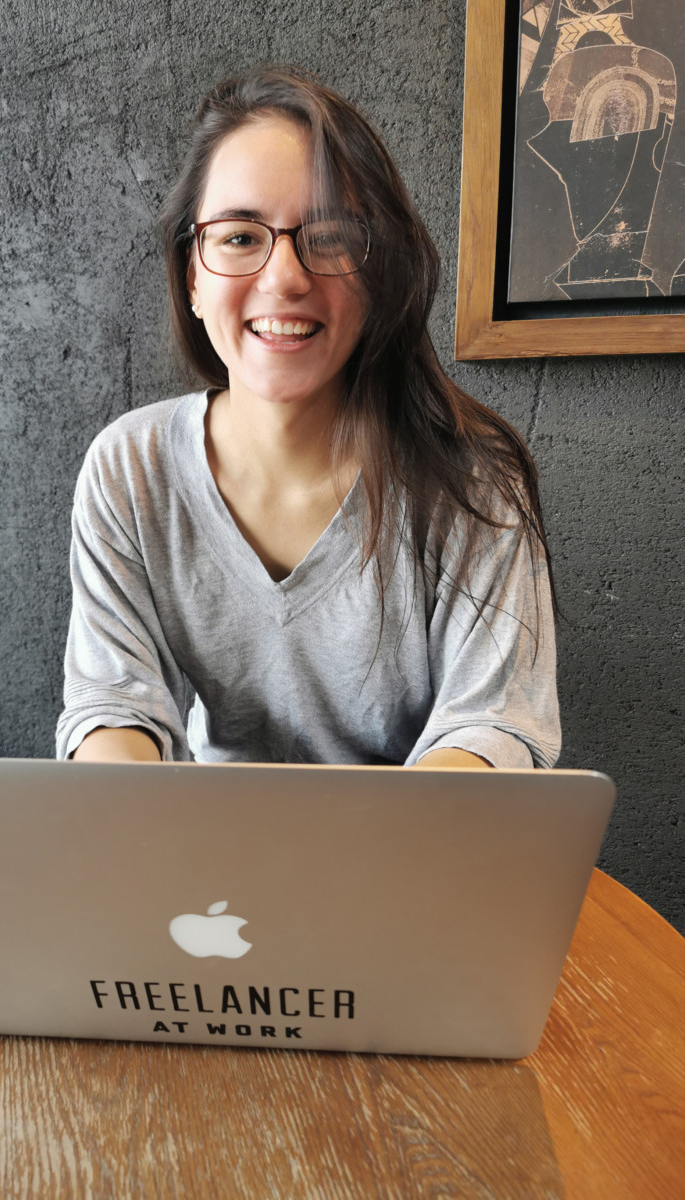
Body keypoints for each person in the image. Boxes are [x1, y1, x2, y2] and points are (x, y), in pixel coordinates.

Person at [56, 65, 561, 771]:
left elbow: (492, 727)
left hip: (406, 858)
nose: (286, 277)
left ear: (376, 273)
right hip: (202, 863)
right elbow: (113, 704)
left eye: (327, 236)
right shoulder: (130, 468)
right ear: (192, 275)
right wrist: (132, 820)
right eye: (239, 237)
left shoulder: (474, 482)